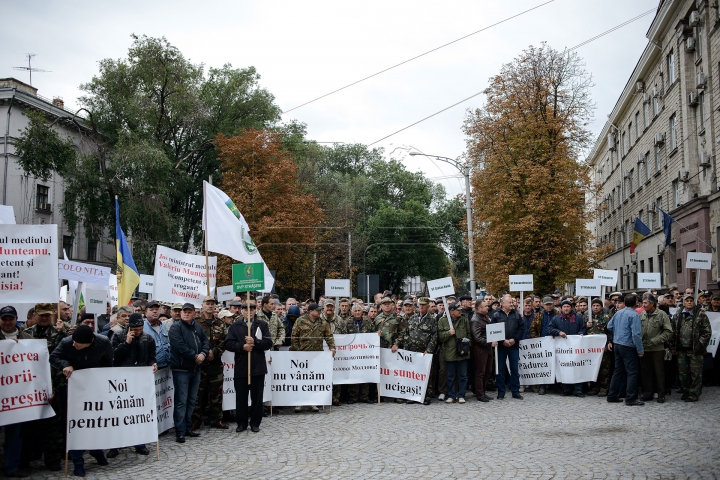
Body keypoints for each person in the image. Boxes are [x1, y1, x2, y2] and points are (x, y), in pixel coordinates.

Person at [50, 325, 113, 476]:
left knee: (95, 420)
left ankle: (96, 449)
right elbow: (53, 357)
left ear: (89, 342)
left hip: (94, 388)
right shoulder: (67, 342)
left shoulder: (103, 342)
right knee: (74, 423)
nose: (73, 344)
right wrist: (66, 365)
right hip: (72, 388)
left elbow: (109, 364)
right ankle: (78, 460)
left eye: (77, 343)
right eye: (73, 341)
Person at [107, 313, 157, 458]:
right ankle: (114, 445)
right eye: (136, 329)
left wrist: (153, 364)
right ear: (130, 327)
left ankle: (140, 443)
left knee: (138, 412)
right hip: (122, 380)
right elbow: (114, 357)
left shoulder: (148, 338)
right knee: (118, 413)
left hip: (139, 380)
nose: (138, 332)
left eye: (140, 329)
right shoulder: (118, 335)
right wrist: (127, 343)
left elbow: (151, 356)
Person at [225, 300, 273, 432]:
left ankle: (255, 423)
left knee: (257, 398)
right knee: (241, 397)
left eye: (251, 309)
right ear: (242, 311)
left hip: (257, 367)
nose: (249, 311)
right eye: (246, 309)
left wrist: (256, 342)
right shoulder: (235, 326)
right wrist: (242, 346)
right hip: (241, 367)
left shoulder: (262, 325)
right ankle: (241, 423)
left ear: (255, 310)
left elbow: (268, 343)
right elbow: (228, 344)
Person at [168, 303, 210, 443]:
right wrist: (195, 356)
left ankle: (187, 427)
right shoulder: (176, 327)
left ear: (194, 313)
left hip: (195, 369)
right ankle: (180, 431)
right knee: (181, 401)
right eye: (184, 312)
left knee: (191, 401)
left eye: (189, 312)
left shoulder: (197, 327)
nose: (186, 314)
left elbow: (205, 341)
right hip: (181, 369)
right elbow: (179, 346)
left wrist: (203, 354)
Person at [1, 306, 32, 478]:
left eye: (10, 319)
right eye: (4, 319)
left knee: (15, 433)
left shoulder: (27, 337)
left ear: (15, 319)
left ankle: (12, 466)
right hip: (2, 392)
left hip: (17, 395)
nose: (7, 322)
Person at [191, 296, 229, 430]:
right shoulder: (195, 322)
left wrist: (215, 351)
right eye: (207, 304)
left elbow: (225, 341)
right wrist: (204, 353)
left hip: (215, 363)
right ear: (202, 305)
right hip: (199, 363)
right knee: (198, 394)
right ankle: (196, 420)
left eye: (212, 304)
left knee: (216, 393)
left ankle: (216, 419)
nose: (210, 306)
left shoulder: (220, 323)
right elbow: (192, 341)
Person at [291, 303, 336, 412]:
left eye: (320, 310)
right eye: (317, 310)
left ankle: (313, 402)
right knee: (302, 380)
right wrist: (298, 350)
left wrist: (332, 347)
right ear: (310, 311)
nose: (320, 311)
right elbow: (294, 336)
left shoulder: (323, 323)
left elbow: (329, 336)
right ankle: (300, 403)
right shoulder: (300, 321)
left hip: (317, 355)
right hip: (302, 355)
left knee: (315, 379)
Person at [670, 294, 712, 402]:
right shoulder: (677, 315)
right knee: (683, 373)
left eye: (691, 301)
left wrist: (700, 344)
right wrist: (673, 346)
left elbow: (707, 332)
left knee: (696, 373)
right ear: (683, 303)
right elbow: (672, 331)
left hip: (695, 350)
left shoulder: (701, 315)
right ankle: (685, 392)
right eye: (687, 300)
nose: (689, 302)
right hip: (681, 350)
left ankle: (694, 394)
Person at [607, 294, 644, 406]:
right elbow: (636, 334)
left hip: (617, 343)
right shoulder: (634, 315)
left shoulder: (618, 313)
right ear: (636, 303)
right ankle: (631, 398)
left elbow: (609, 326)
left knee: (617, 370)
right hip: (628, 345)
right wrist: (640, 350)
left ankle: (612, 395)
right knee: (632, 372)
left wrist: (618, 332)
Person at [402, 298, 437, 405]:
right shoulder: (412, 318)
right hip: (412, 351)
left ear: (427, 306)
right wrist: (406, 348)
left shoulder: (432, 320)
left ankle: (426, 396)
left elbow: (434, 336)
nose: (421, 307)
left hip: (424, 351)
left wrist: (429, 349)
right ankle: (413, 396)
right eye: (419, 305)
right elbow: (407, 333)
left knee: (425, 374)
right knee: (412, 374)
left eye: (423, 305)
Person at [549, 299, 587, 397]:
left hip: (576, 348)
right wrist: (558, 332)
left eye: (568, 307)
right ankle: (567, 389)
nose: (566, 308)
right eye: (564, 307)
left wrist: (580, 334)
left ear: (571, 308)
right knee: (565, 367)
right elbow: (550, 329)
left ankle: (578, 389)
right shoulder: (556, 319)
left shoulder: (578, 318)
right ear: (561, 308)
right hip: (563, 350)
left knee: (577, 367)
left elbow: (583, 328)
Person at [639, 296, 672, 403]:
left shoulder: (662, 315)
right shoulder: (642, 314)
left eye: (645, 303)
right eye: (643, 303)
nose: (643, 305)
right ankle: (648, 393)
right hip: (644, 348)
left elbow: (668, 331)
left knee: (659, 372)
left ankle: (661, 393)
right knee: (646, 372)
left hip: (657, 348)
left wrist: (656, 340)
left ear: (652, 304)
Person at [491, 294, 525, 400]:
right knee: (500, 370)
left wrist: (514, 339)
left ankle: (515, 391)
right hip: (501, 347)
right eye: (509, 302)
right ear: (502, 304)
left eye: (512, 302)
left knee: (514, 369)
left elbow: (522, 328)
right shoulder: (496, 315)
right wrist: (502, 341)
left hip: (513, 346)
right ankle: (501, 392)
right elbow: (493, 330)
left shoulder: (516, 314)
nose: (512, 304)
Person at [437, 302, 471, 403]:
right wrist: (448, 333)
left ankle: (461, 395)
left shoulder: (464, 320)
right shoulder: (442, 321)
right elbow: (439, 337)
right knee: (450, 376)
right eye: (458, 310)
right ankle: (451, 395)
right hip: (449, 352)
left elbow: (469, 334)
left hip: (462, 352)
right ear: (451, 312)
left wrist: (467, 345)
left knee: (463, 375)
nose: (460, 311)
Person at [586, 298, 613, 396]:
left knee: (604, 368)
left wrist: (609, 342)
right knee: (593, 367)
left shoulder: (607, 317)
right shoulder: (587, 317)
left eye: (598, 305)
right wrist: (586, 326)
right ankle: (594, 387)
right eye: (594, 306)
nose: (595, 307)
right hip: (591, 347)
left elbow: (610, 331)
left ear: (601, 307)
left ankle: (604, 388)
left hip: (603, 347)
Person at [470, 299, 493, 402]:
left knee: (488, 371)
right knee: (480, 372)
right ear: (479, 309)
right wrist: (490, 342)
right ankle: (479, 394)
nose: (487, 307)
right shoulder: (475, 320)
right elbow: (477, 338)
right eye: (485, 306)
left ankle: (483, 391)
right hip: (480, 350)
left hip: (487, 348)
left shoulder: (485, 317)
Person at [143, 300, 171, 370]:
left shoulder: (163, 325)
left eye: (157, 309)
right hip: (150, 367)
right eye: (151, 310)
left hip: (165, 366)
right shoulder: (142, 327)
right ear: (145, 313)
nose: (155, 311)